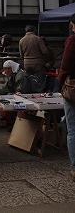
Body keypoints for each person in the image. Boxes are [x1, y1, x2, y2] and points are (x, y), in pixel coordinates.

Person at [58, 13, 75, 180]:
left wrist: (60, 82)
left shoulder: (72, 41)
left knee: (72, 129)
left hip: (73, 89)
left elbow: (66, 65)